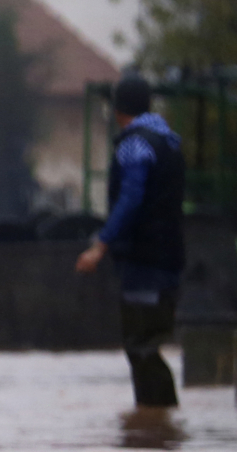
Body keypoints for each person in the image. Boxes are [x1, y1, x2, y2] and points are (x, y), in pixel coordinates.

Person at [76, 72, 186, 410]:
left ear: (117, 109)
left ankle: (157, 425)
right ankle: (160, 429)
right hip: (169, 258)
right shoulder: (169, 141)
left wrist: (101, 244)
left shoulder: (135, 145)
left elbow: (131, 198)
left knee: (140, 345)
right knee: (148, 343)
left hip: (144, 262)